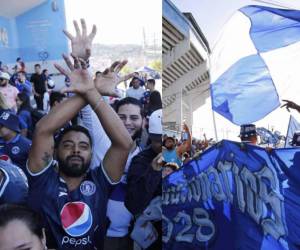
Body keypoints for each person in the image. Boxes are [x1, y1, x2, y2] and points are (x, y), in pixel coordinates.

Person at [27, 19, 133, 250]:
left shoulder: (100, 182)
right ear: (54, 151)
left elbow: (124, 145)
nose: (76, 149)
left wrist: (91, 92)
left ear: (92, 152)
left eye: (84, 146)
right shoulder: (42, 179)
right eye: (68, 145)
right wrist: (90, 90)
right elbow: (43, 129)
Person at [104, 97, 145, 250]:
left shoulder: (148, 160)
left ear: (144, 121)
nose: (127, 122)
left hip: (134, 239)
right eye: (121, 117)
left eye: (134, 118)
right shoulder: (100, 149)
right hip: (101, 237)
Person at [125, 109, 162, 250]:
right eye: (159, 140)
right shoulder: (140, 161)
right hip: (152, 236)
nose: (164, 145)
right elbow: (133, 204)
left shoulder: (178, 156)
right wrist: (153, 171)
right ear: (150, 137)